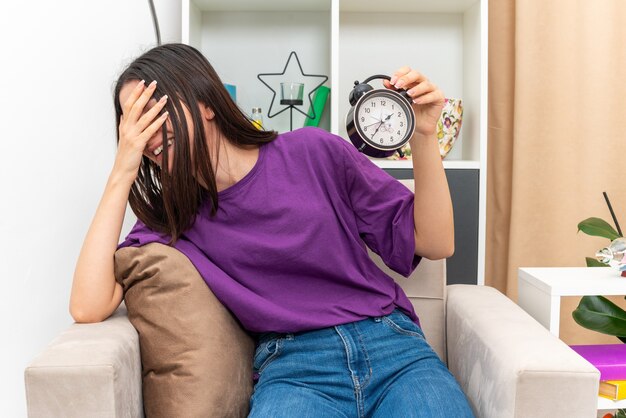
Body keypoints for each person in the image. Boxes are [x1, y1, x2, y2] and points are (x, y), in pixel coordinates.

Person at [69, 43, 474, 417]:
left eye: (155, 110)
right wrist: (124, 166)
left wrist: (424, 134)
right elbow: (88, 306)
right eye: (134, 122)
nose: (148, 133)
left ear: (207, 103)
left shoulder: (315, 151)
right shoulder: (173, 217)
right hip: (295, 369)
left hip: (391, 345)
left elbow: (436, 243)